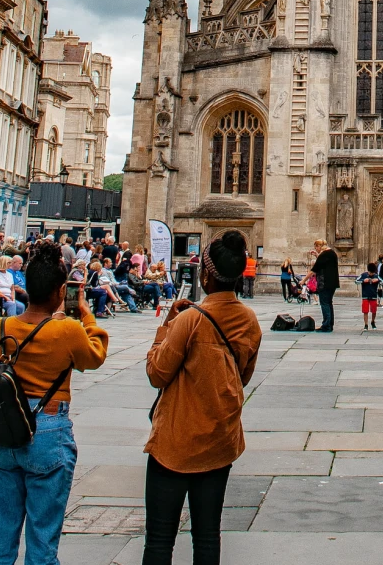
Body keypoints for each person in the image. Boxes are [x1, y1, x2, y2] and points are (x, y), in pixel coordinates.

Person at [0, 240, 108, 565]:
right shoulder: (66, 330)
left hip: (2, 431)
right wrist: (86, 316)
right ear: (58, 290)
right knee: (41, 547)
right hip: (47, 432)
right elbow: (94, 356)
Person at [143, 230, 260, 565]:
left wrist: (166, 327)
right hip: (219, 441)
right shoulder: (250, 321)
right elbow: (242, 378)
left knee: (160, 541)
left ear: (206, 275)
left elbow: (157, 374)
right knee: (208, 536)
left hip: (176, 443)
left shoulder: (190, 319)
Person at [310, 239, 340, 333]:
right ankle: (329, 324)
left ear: (319, 246)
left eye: (316, 247)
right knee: (329, 303)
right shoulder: (332, 253)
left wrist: (303, 280)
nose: (316, 249)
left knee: (325, 303)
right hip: (333, 283)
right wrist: (317, 255)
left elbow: (314, 269)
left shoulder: (324, 255)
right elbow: (324, 262)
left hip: (324, 282)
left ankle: (326, 325)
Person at [355, 261, 381, 330]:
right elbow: (356, 281)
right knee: (365, 311)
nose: (371, 274)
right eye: (370, 273)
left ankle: (373, 321)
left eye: (372, 273)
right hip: (365, 296)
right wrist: (363, 280)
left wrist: (377, 280)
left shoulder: (376, 276)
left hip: (373, 295)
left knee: (374, 311)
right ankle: (366, 324)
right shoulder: (363, 275)